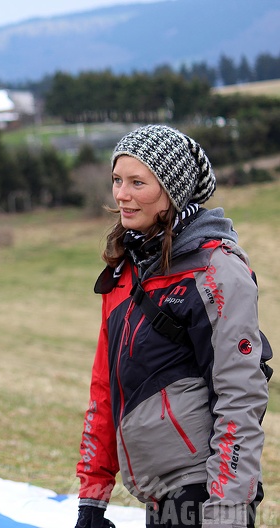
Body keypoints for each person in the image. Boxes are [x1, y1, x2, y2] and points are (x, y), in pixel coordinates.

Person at [73, 125, 268, 528]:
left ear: (172, 190)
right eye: (117, 180)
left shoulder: (215, 272)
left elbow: (240, 396)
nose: (121, 194)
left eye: (137, 182)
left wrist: (228, 509)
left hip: (205, 487)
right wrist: (92, 498)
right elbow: (105, 388)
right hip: (158, 489)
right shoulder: (128, 268)